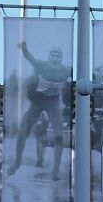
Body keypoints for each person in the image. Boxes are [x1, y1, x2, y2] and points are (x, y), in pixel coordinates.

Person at [7, 41, 71, 181]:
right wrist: (24, 49)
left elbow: (80, 72)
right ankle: (17, 163)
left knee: (59, 136)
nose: (55, 58)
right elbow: (30, 58)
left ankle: (56, 169)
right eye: (53, 55)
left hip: (53, 103)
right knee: (23, 132)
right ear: (49, 58)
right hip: (37, 102)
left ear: (61, 59)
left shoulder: (66, 70)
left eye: (58, 56)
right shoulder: (42, 66)